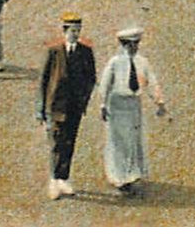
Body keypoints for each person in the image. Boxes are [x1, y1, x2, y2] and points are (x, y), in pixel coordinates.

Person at [99, 26, 167, 194]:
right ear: (123, 45)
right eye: (130, 44)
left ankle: (132, 174)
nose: (134, 47)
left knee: (133, 140)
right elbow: (105, 84)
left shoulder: (142, 62)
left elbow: (151, 81)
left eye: (136, 44)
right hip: (117, 104)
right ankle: (118, 178)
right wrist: (103, 104)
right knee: (119, 141)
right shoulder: (114, 62)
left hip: (134, 104)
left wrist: (159, 102)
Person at [37, 12, 96, 200]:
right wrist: (41, 109)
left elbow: (91, 78)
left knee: (69, 142)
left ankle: (64, 178)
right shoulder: (54, 52)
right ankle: (54, 180)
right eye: (72, 30)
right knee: (56, 142)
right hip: (55, 106)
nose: (75, 34)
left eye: (78, 31)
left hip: (74, 107)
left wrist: (84, 99)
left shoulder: (85, 52)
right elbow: (44, 81)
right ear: (64, 31)